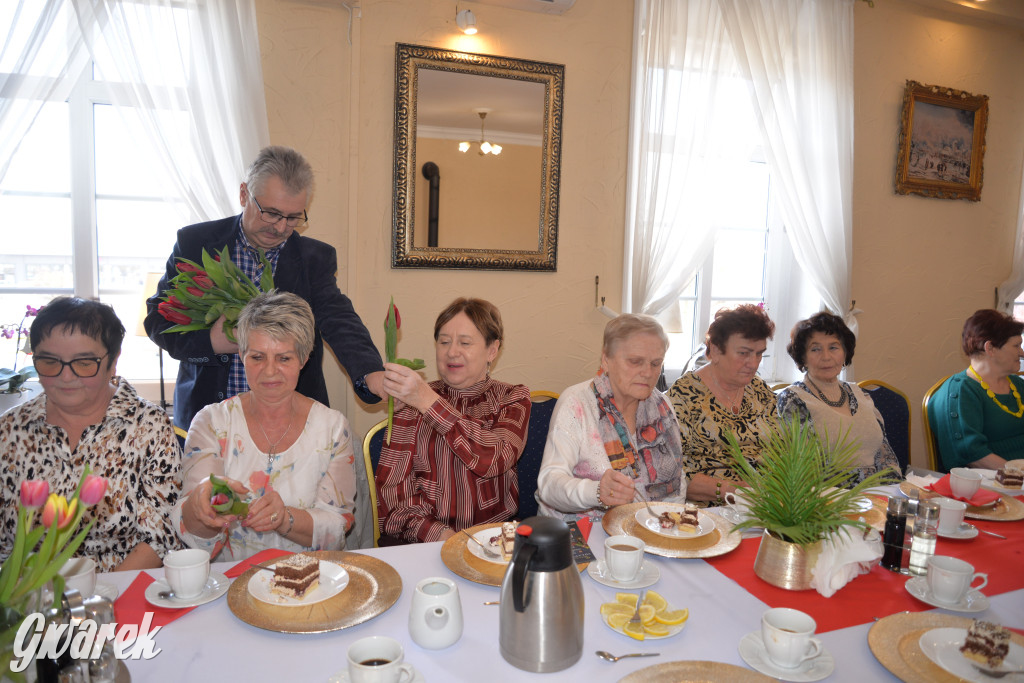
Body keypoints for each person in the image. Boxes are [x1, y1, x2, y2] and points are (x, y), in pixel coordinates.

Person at [144, 145, 384, 434]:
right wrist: (211, 342)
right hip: (208, 420)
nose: (281, 228)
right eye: (271, 213)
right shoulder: (196, 243)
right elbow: (158, 320)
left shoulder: (314, 258)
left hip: (289, 425)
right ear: (244, 194)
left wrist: (370, 372)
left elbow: (339, 319)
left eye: (294, 217)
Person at [172, 291, 358, 560]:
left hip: (307, 581)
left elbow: (337, 529)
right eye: (257, 357)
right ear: (242, 354)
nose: (269, 371)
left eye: (284, 358)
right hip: (230, 583)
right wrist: (200, 506)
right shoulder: (212, 423)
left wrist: (285, 520)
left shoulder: (331, 428)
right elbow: (199, 543)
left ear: (304, 359)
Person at [0, 298, 181, 572]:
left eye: (84, 363)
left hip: (122, 589)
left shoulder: (148, 426)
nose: (66, 376)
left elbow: (160, 536)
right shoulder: (10, 430)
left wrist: (101, 597)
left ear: (113, 360)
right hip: (28, 592)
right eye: (49, 362)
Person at [375, 298, 531, 544]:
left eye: (465, 343)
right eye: (444, 342)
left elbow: (494, 458)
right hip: (426, 544)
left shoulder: (511, 398)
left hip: (494, 540)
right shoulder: (410, 402)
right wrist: (441, 535)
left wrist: (429, 403)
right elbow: (391, 500)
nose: (451, 351)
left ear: (492, 350)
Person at [537, 314, 686, 521]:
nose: (647, 372)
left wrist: (673, 530)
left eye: (656, 363)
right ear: (606, 360)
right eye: (636, 361)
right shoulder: (577, 403)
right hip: (578, 533)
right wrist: (597, 491)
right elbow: (549, 484)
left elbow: (678, 484)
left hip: (648, 529)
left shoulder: (662, 407)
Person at [667, 304, 777, 506]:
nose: (753, 363)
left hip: (764, 506)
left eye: (759, 354)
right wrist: (733, 491)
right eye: (744, 353)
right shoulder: (683, 397)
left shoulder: (760, 391)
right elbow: (671, 476)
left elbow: (781, 453)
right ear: (716, 351)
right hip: (707, 513)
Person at [776, 312, 901, 483]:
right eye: (815, 349)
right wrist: (865, 487)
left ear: (844, 353)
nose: (826, 357)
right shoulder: (793, 399)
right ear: (803, 357)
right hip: (829, 501)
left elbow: (886, 458)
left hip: (877, 498)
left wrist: (892, 494)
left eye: (833, 347)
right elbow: (808, 470)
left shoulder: (861, 394)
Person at [928, 309, 1024, 471]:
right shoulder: (959, 392)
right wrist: (1018, 474)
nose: (1022, 353)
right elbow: (973, 456)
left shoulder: (1017, 384)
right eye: (1016, 346)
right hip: (990, 486)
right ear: (990, 348)